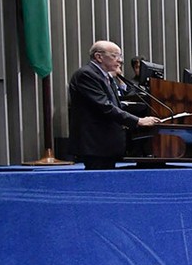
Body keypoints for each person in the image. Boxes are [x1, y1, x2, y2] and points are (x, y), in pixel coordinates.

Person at [68, 40, 161, 170]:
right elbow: (105, 107)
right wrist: (138, 120)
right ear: (99, 57)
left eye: (120, 56)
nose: (120, 60)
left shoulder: (106, 77)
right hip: (95, 143)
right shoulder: (87, 74)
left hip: (106, 144)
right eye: (115, 55)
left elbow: (116, 105)